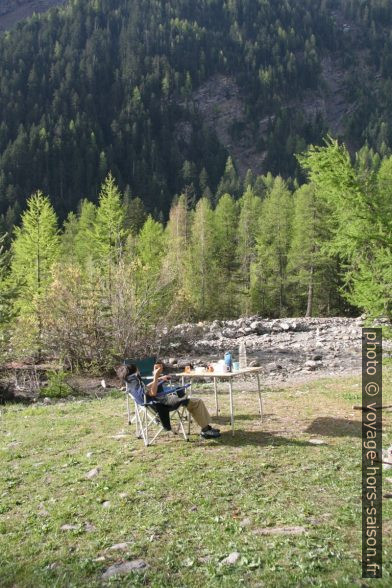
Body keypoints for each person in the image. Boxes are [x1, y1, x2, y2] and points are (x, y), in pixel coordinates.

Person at [117, 363, 221, 439]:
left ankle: (206, 428)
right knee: (196, 402)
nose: (138, 371)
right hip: (159, 405)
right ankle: (206, 431)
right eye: (137, 370)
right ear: (134, 372)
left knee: (190, 401)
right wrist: (156, 376)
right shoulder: (136, 380)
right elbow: (152, 393)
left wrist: (158, 379)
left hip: (151, 405)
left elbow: (146, 390)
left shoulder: (131, 382)